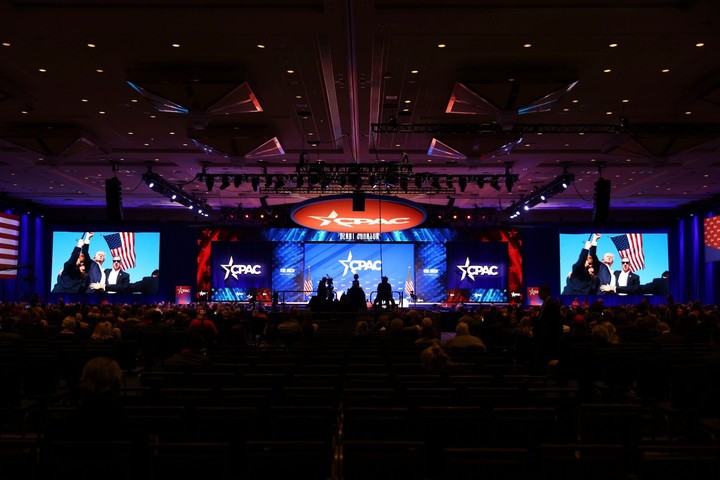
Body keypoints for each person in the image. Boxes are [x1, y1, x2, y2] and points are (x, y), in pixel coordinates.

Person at [532, 284, 563, 373]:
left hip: (547, 337)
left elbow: (554, 322)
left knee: (546, 357)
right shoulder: (546, 303)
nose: (538, 294)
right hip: (543, 336)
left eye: (540, 292)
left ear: (545, 292)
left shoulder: (551, 304)